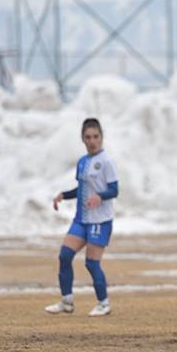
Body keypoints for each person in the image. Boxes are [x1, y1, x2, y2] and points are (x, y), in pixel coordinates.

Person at [45, 118, 119, 317]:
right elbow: (83, 189)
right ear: (82, 139)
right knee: (65, 255)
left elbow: (114, 190)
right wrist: (64, 195)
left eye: (96, 136)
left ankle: (103, 303)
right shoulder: (83, 162)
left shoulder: (107, 162)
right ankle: (66, 302)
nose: (92, 141)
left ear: (101, 137)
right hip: (82, 219)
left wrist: (99, 197)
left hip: (99, 221)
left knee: (91, 263)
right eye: (88, 137)